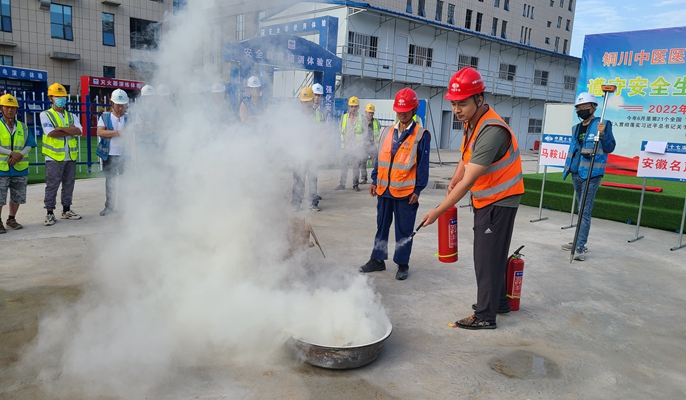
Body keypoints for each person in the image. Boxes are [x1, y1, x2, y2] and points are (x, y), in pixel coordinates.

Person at [419, 67, 524, 330]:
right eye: (453, 104)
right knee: (492, 254)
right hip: (488, 198)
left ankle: (485, 316)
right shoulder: (474, 123)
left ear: (479, 99)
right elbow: (466, 159)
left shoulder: (491, 130)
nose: (457, 110)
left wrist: (438, 211)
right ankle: (499, 302)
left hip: (499, 200)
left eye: (462, 103)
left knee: (486, 258)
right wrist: (454, 177)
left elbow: (468, 182)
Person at [358, 88, 431, 281]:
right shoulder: (386, 132)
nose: (402, 113)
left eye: (405, 110)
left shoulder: (421, 135)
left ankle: (402, 264)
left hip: (406, 192)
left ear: (414, 110)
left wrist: (418, 189)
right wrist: (374, 179)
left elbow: (423, 166)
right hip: (384, 190)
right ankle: (377, 259)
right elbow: (380, 158)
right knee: (381, 226)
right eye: (399, 110)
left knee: (404, 230)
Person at [561, 92, 616, 261]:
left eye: (585, 107)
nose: (582, 110)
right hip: (576, 172)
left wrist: (603, 134)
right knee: (580, 209)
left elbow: (610, 147)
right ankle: (578, 240)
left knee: (585, 211)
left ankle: (580, 246)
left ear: (593, 107)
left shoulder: (603, 124)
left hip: (591, 174)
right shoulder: (576, 128)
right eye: (579, 107)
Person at [40, 82, 83, 226]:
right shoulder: (45, 114)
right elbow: (50, 133)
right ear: (50, 98)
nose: (61, 99)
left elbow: (79, 131)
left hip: (70, 156)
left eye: (63, 97)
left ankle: (66, 210)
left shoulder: (72, 116)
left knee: (69, 184)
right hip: (53, 157)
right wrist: (69, 130)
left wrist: (60, 128)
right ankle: (49, 213)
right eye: (57, 97)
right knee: (52, 185)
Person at [0, 94, 36, 233]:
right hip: (1, 168)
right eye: (7, 107)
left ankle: (11, 219)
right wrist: (11, 153)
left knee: (17, 196)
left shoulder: (23, 127)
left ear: (16, 110)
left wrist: (20, 155)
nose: (10, 110)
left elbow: (30, 144)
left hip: (19, 168)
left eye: (13, 107)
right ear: (1, 108)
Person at [97, 88, 130, 216]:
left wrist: (110, 133)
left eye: (123, 105)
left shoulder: (129, 118)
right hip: (109, 154)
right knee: (110, 181)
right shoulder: (105, 117)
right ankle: (109, 206)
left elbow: (133, 134)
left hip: (124, 155)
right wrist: (118, 132)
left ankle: (123, 207)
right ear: (112, 103)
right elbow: (101, 132)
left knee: (124, 181)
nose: (120, 108)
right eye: (118, 105)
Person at [291, 87, 321, 212]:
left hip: (313, 152)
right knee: (298, 179)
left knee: (313, 178)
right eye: (304, 102)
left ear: (312, 100)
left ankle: (313, 203)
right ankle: (296, 203)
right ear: (300, 102)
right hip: (299, 152)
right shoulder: (295, 116)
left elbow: (323, 133)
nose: (306, 104)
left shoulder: (319, 116)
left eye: (308, 101)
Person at [336, 96, 365, 192]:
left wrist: (362, 147)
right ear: (349, 107)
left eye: (355, 106)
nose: (353, 108)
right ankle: (342, 184)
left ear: (358, 107)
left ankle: (355, 184)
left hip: (357, 148)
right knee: (344, 166)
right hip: (345, 147)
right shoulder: (344, 117)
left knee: (356, 167)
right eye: (351, 106)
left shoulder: (362, 118)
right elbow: (340, 130)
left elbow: (365, 133)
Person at [361, 103, 381, 184]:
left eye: (372, 112)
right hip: (363, 145)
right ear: (365, 112)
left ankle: (377, 178)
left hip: (373, 145)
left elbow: (378, 133)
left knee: (375, 162)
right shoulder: (361, 122)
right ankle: (363, 178)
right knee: (363, 162)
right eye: (369, 112)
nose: (370, 114)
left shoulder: (376, 122)